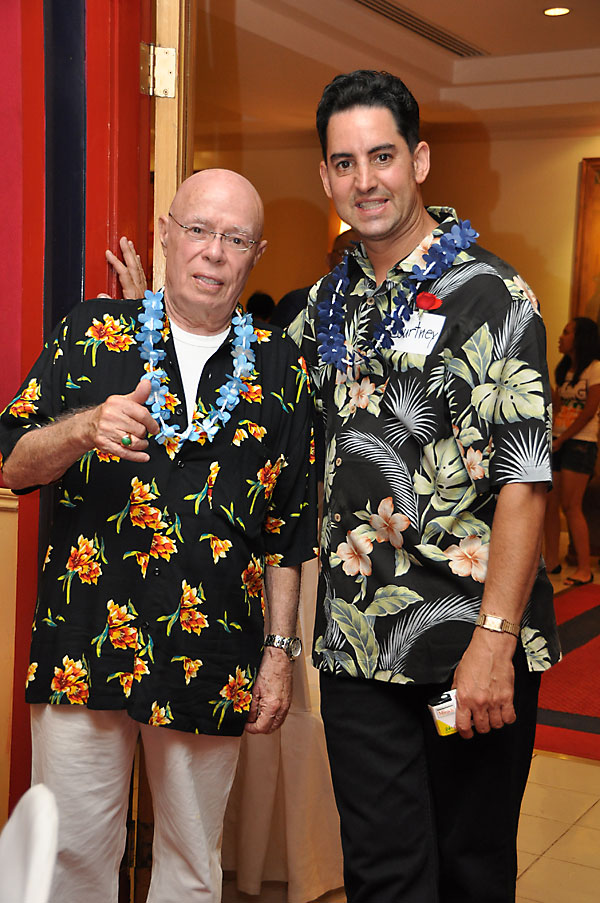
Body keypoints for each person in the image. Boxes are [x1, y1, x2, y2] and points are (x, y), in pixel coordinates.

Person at [0, 169, 316, 903]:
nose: (214, 251)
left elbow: (287, 529)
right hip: (84, 639)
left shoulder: (284, 367)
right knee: (69, 858)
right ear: (167, 234)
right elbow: (11, 461)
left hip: (213, 652)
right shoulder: (91, 333)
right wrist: (84, 426)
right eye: (199, 229)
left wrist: (279, 654)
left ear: (256, 254)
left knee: (193, 864)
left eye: (235, 238)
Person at [287, 70, 561, 903]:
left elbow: (525, 482)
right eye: (344, 162)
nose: (365, 180)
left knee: (469, 867)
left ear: (420, 160)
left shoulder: (494, 294)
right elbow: (254, 387)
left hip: (464, 643)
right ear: (325, 176)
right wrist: (150, 323)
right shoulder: (326, 302)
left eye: (382, 156)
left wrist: (494, 642)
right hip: (356, 644)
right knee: (382, 874)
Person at [543, 316, 600, 585]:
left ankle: (584, 569)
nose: (561, 337)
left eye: (567, 332)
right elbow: (558, 406)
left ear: (580, 338)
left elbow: (589, 411)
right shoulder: (564, 369)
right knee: (550, 503)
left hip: (580, 443)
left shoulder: (595, 368)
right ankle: (551, 561)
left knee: (571, 506)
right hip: (558, 440)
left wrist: (563, 438)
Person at [270, 227, 359, 329]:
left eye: (365, 255)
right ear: (329, 259)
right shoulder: (299, 302)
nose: (356, 260)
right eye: (346, 252)